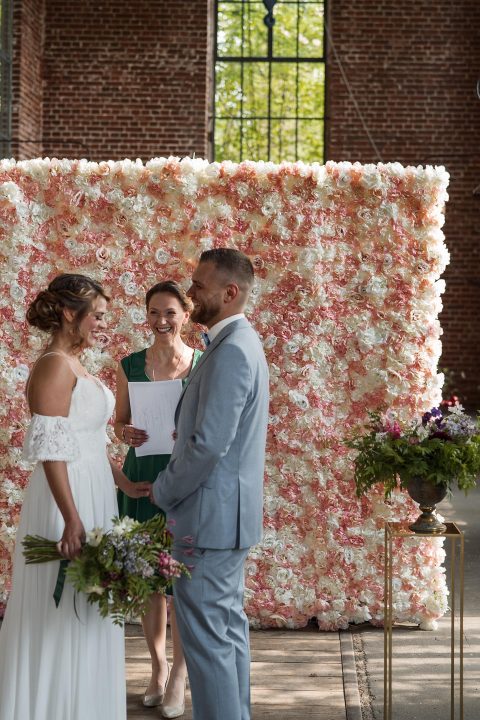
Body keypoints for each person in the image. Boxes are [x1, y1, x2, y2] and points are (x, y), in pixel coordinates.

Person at [0, 273, 150, 720]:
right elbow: (51, 449)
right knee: (61, 609)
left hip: (94, 492)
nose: (103, 324)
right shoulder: (53, 365)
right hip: (65, 499)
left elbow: (85, 439)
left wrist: (121, 482)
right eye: (98, 316)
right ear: (70, 313)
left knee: (90, 605)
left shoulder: (76, 363)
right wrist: (71, 518)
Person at [151, 248, 269, 720]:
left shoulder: (234, 349)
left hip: (210, 521)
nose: (191, 291)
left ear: (230, 292)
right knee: (226, 636)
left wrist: (161, 491)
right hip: (222, 520)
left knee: (209, 647)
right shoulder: (233, 342)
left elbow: (207, 446)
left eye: (199, 285)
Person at [114, 280, 202, 717]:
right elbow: (119, 423)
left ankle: (181, 680)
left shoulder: (203, 364)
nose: (161, 321)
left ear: (185, 314)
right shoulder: (129, 364)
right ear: (146, 316)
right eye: (153, 312)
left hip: (185, 480)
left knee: (183, 582)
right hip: (142, 477)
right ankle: (158, 668)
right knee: (150, 581)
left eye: (169, 312)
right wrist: (125, 433)